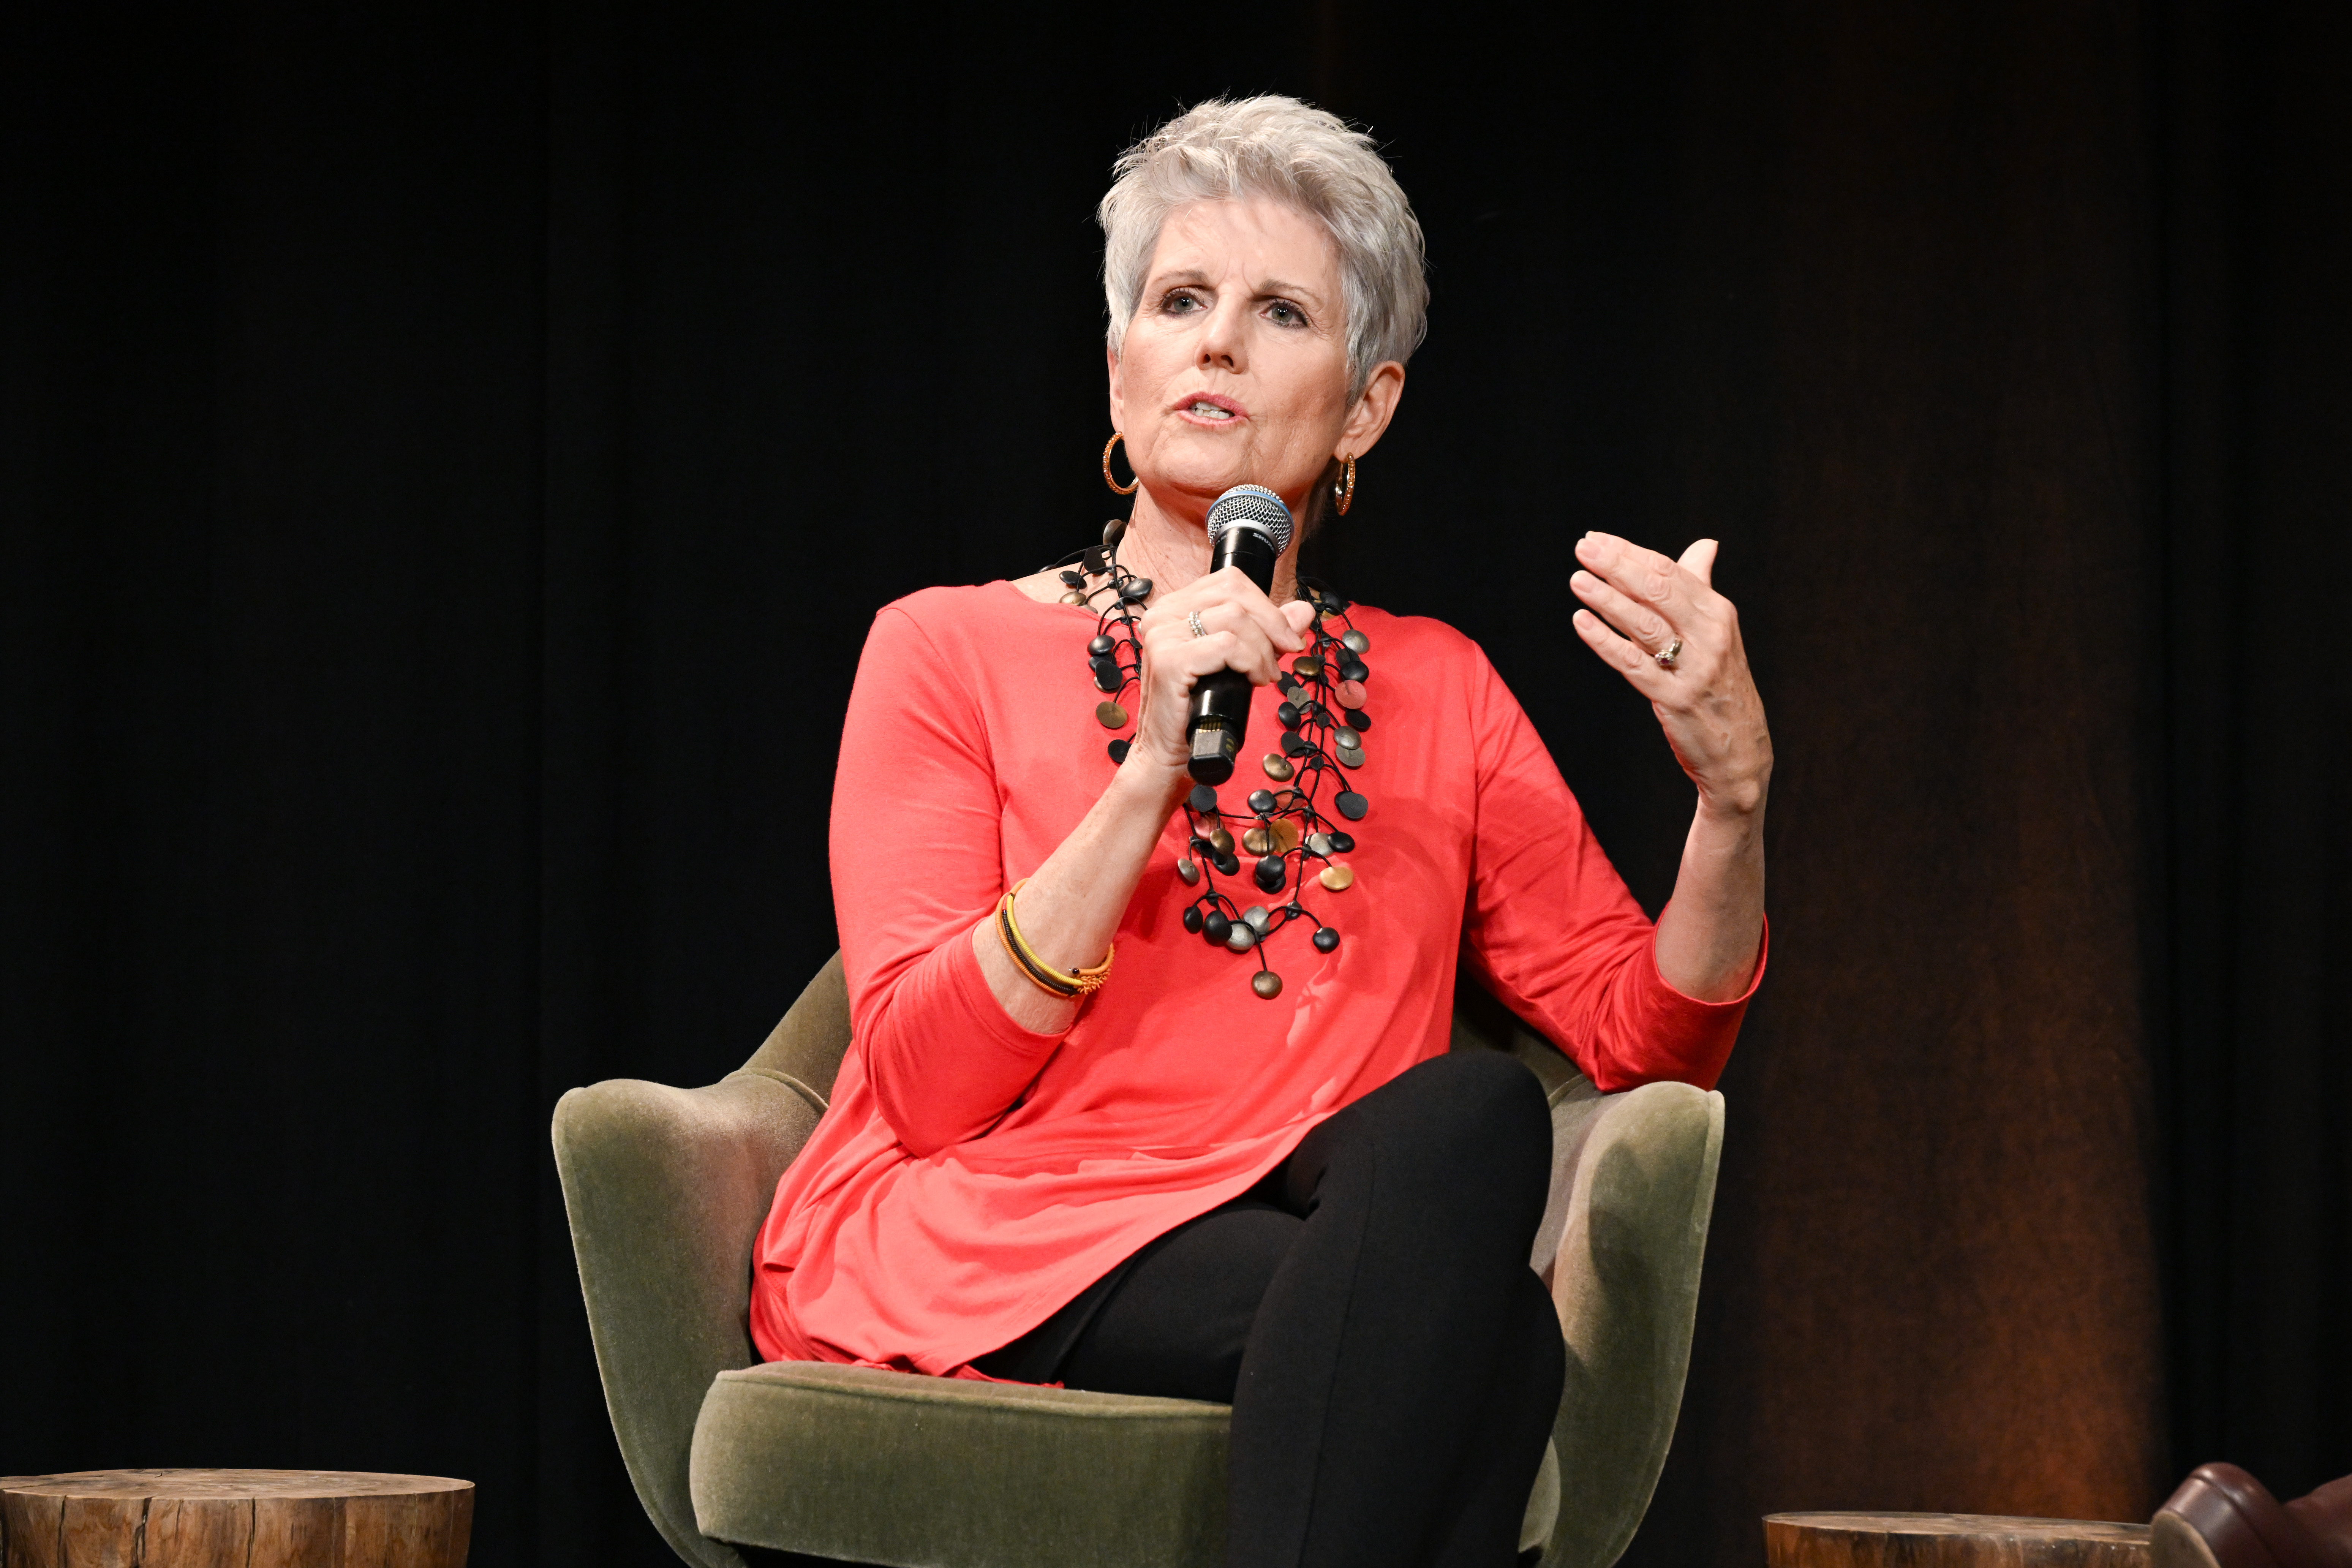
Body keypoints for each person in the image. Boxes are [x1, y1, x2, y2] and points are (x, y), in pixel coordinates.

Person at [747, 95, 1772, 1568]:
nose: (1218, 341)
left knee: (1474, 1123)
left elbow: (1645, 1044)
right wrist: (1151, 768)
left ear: (1366, 407)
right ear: (1122, 374)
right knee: (1501, 1351)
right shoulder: (946, 649)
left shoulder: (1441, 687)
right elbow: (919, 1081)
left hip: (1315, 1232)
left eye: (1280, 311)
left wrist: (1732, 803)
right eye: (1180, 302)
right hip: (1005, 1231)